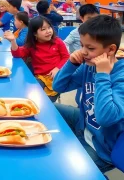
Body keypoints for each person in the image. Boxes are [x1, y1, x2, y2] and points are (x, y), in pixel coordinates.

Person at [53, 15, 124, 173]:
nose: (83, 52)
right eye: (82, 46)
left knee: (64, 170)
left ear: (111, 49)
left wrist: (103, 75)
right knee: (50, 108)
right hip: (83, 124)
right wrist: (71, 63)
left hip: (102, 148)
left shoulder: (120, 76)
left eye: (90, 48)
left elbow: (106, 118)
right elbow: (58, 86)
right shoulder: (89, 65)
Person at [11, 16, 69, 102]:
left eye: (49, 27)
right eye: (43, 29)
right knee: (28, 94)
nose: (48, 31)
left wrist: (57, 68)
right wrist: (13, 41)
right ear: (34, 33)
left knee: (45, 102)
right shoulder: (31, 45)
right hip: (40, 77)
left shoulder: (57, 41)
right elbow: (17, 54)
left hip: (55, 78)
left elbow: (66, 57)